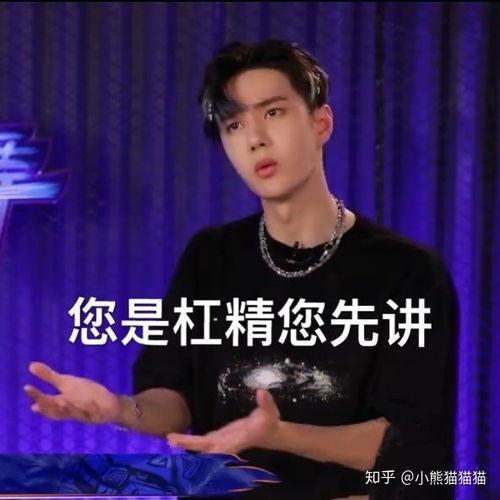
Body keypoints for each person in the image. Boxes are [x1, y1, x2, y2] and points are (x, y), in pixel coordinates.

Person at [24, 39, 458, 499]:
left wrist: (281, 435)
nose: (255, 138)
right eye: (234, 125)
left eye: (273, 112)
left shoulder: (406, 272)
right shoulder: (210, 257)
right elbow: (174, 399)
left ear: (321, 123)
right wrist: (118, 409)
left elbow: (417, 447)